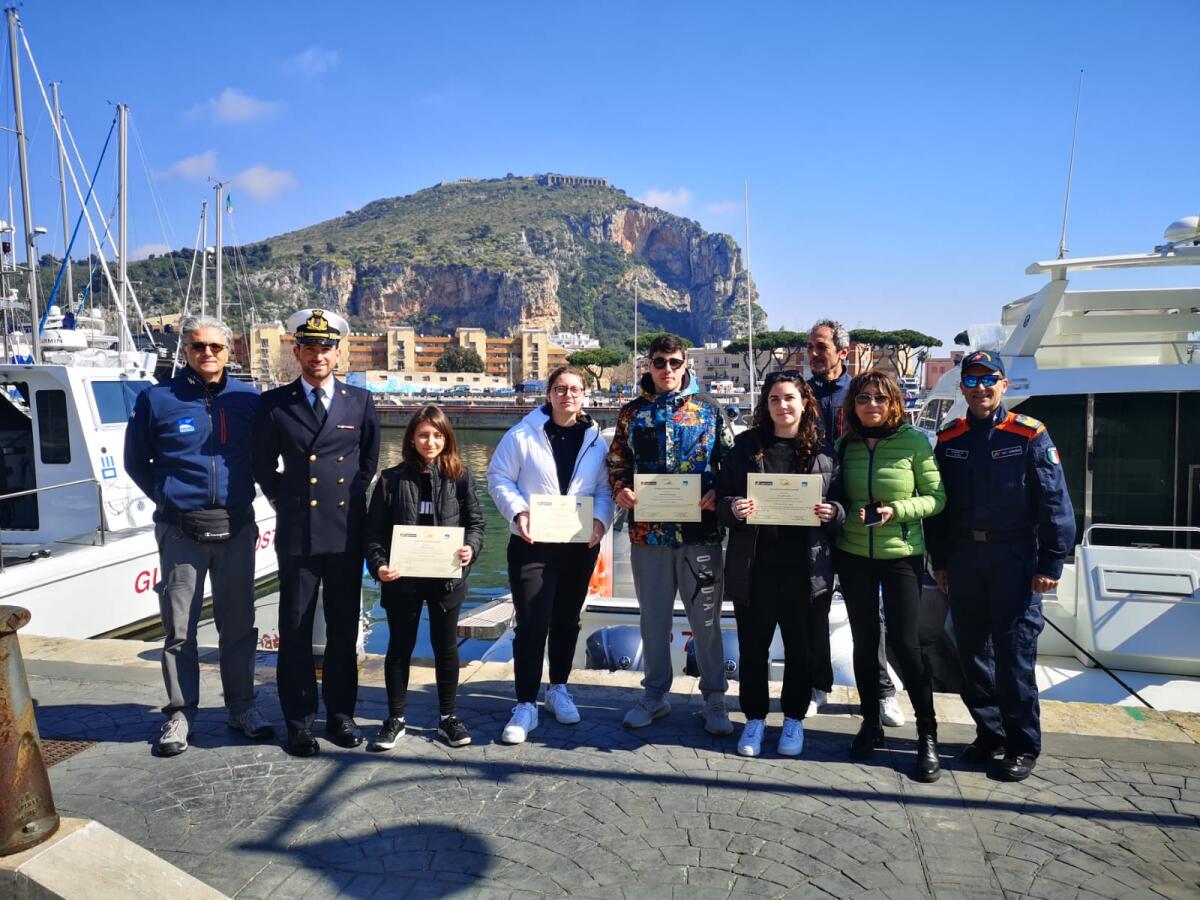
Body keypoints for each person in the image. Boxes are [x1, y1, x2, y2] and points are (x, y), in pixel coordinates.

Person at [124, 315, 273, 756]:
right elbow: (136, 462)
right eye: (197, 346)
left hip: (237, 525)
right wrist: (170, 501)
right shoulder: (158, 399)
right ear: (184, 351)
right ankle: (179, 714)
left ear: (230, 351)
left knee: (239, 626)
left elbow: (265, 456)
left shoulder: (250, 399)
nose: (207, 353)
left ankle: (241, 707)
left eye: (215, 346)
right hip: (180, 530)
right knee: (180, 629)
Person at [926, 351, 1075, 782]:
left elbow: (1054, 503)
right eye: (971, 382)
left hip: (1015, 560)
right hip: (966, 561)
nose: (980, 389)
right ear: (963, 389)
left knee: (1014, 658)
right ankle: (989, 733)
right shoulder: (950, 438)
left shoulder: (1029, 435)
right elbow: (940, 508)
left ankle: (1022, 743)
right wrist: (940, 561)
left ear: (1003, 386)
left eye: (988, 380)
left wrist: (1051, 561)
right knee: (973, 655)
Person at [252, 308, 380, 757]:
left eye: (326, 347)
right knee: (297, 627)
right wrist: (286, 502)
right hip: (298, 534)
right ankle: (299, 722)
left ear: (337, 352)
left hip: (345, 533)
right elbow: (263, 466)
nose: (318, 354)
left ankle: (341, 716)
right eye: (310, 347)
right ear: (297, 351)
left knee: (344, 630)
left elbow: (367, 465)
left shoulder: (359, 402)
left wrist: (350, 508)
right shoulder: (274, 403)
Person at [607, 333, 734, 736]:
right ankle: (654, 695)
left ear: (686, 365)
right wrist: (620, 489)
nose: (667, 370)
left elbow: (730, 463)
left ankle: (714, 699)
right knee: (654, 621)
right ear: (648, 365)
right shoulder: (632, 414)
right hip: (649, 537)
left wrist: (720, 492)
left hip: (702, 535)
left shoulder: (710, 411)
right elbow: (616, 462)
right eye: (659, 362)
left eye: (674, 362)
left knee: (707, 621)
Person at [717, 372, 843, 757]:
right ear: (765, 405)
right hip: (755, 567)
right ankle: (754, 720)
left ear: (804, 403)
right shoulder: (744, 447)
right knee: (753, 649)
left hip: (806, 570)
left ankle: (793, 719)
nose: (782, 406)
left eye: (790, 398)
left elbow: (844, 507)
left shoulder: (825, 451)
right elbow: (722, 500)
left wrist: (832, 512)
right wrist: (733, 509)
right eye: (774, 399)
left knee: (801, 649)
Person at [487, 366, 614, 744]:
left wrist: (600, 522)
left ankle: (558, 687)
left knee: (566, 619)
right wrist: (518, 512)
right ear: (548, 393)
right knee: (531, 623)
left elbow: (605, 490)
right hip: (531, 543)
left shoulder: (595, 440)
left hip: (578, 544)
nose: (567, 395)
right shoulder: (522, 434)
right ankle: (525, 703)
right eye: (560, 388)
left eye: (575, 389)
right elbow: (499, 478)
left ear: (585, 395)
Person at [832, 369, 946, 781]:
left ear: (894, 401)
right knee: (864, 643)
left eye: (880, 398)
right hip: (854, 553)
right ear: (854, 405)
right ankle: (870, 723)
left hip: (902, 555)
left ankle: (926, 733)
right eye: (864, 399)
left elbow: (937, 498)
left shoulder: (913, 441)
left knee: (906, 643)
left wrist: (895, 511)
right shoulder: (845, 445)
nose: (872, 405)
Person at [363, 405, 484, 749]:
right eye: (423, 435)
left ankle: (448, 717)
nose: (430, 441)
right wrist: (379, 565)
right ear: (411, 439)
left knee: (445, 648)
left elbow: (476, 524)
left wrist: (469, 550)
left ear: (447, 438)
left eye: (437, 435)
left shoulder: (461, 477)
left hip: (447, 578)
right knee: (399, 647)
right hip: (402, 579)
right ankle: (396, 718)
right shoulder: (390, 479)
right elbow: (372, 533)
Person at [807, 319, 903, 727]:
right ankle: (815, 685)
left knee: (868, 614)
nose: (812, 353)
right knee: (812, 608)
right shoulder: (801, 393)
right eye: (809, 347)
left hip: (858, 519)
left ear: (842, 353)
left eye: (821, 347)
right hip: (811, 518)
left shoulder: (863, 393)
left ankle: (882, 692)